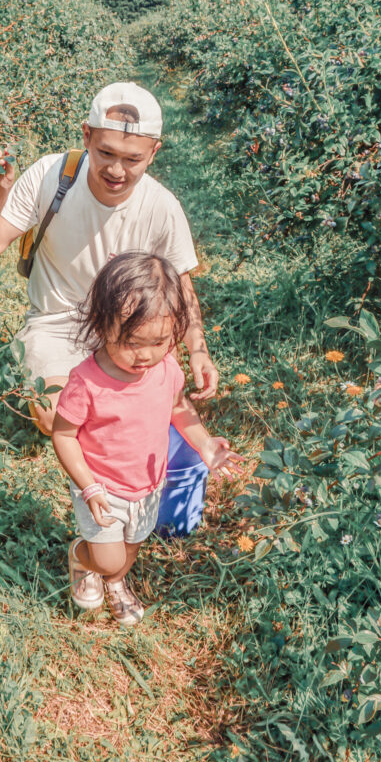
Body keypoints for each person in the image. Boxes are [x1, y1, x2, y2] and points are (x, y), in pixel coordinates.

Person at [0, 82, 218, 434]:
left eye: (132, 160)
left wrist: (197, 350)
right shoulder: (51, 177)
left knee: (158, 409)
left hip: (129, 332)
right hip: (56, 328)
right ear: (86, 136)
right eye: (106, 153)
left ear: (154, 153)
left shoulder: (161, 207)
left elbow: (182, 287)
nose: (117, 170)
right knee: (55, 417)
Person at [52, 252, 241, 626]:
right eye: (132, 342)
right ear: (102, 324)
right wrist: (87, 486)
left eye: (159, 342)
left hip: (149, 485)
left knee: (133, 544)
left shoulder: (165, 366)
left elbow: (178, 407)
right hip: (101, 488)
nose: (145, 356)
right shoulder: (86, 382)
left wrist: (204, 445)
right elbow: (64, 435)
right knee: (109, 556)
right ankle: (84, 557)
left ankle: (117, 583)